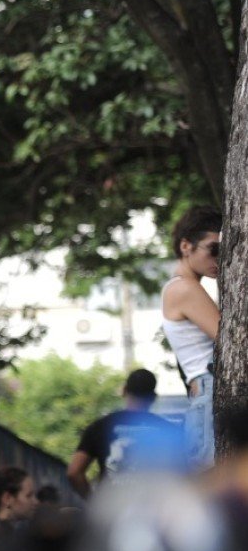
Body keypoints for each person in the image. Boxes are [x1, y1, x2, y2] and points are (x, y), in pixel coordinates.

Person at [163, 206, 221, 469]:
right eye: (213, 249)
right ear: (186, 246)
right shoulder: (185, 289)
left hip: (205, 392)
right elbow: (229, 339)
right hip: (208, 391)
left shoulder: (182, 287)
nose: (219, 258)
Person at [66, 368, 182, 495]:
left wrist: (93, 502)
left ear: (124, 390)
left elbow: (74, 472)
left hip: (111, 509)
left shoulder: (100, 427)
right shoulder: (169, 431)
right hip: (153, 509)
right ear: (154, 397)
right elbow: (182, 475)